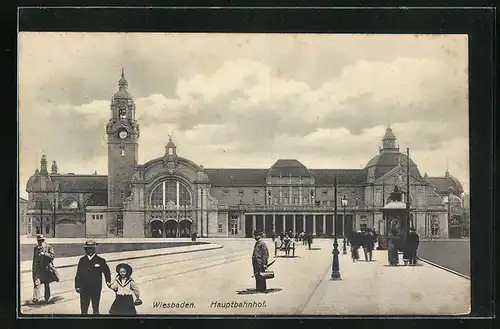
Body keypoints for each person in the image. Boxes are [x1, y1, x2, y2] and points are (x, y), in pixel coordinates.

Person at [75, 240, 112, 315]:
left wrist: (108, 281)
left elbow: (107, 272)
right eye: (87, 248)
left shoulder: (100, 260)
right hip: (84, 288)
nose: (89, 250)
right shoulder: (82, 260)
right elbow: (78, 274)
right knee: (84, 308)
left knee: (95, 307)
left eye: (91, 248)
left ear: (94, 249)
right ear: (85, 249)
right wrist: (77, 286)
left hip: (96, 288)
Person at [32, 234, 59, 304]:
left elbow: (52, 256)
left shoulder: (48, 247)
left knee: (46, 284)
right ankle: (36, 298)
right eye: (39, 241)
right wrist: (34, 270)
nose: (40, 242)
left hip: (46, 269)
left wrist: (44, 254)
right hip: (38, 270)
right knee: (37, 283)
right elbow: (34, 260)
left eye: (41, 240)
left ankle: (46, 298)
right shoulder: (36, 248)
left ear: (44, 240)